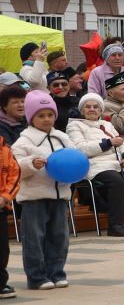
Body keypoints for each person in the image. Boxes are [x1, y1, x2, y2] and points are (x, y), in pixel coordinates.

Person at [68, 93, 124, 236]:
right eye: (88, 107)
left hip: (118, 163)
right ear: (82, 110)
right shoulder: (74, 125)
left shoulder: (107, 124)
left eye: (96, 107)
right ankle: (115, 224)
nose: (92, 109)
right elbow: (81, 149)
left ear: (100, 110)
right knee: (116, 181)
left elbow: (121, 144)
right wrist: (107, 143)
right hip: (95, 165)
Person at [13, 90, 75, 287]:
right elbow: (15, 170)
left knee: (59, 237)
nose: (47, 119)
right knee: (34, 239)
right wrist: (31, 164)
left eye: (50, 115)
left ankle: (57, 273)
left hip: (60, 196)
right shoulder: (24, 141)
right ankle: (37, 277)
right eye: (41, 115)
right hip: (34, 198)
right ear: (31, 117)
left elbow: (75, 161)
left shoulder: (63, 138)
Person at [0, 131, 16, 296]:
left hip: (1, 206)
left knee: (2, 249)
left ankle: (0, 283)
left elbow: (14, 174)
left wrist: (5, 196)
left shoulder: (4, 148)